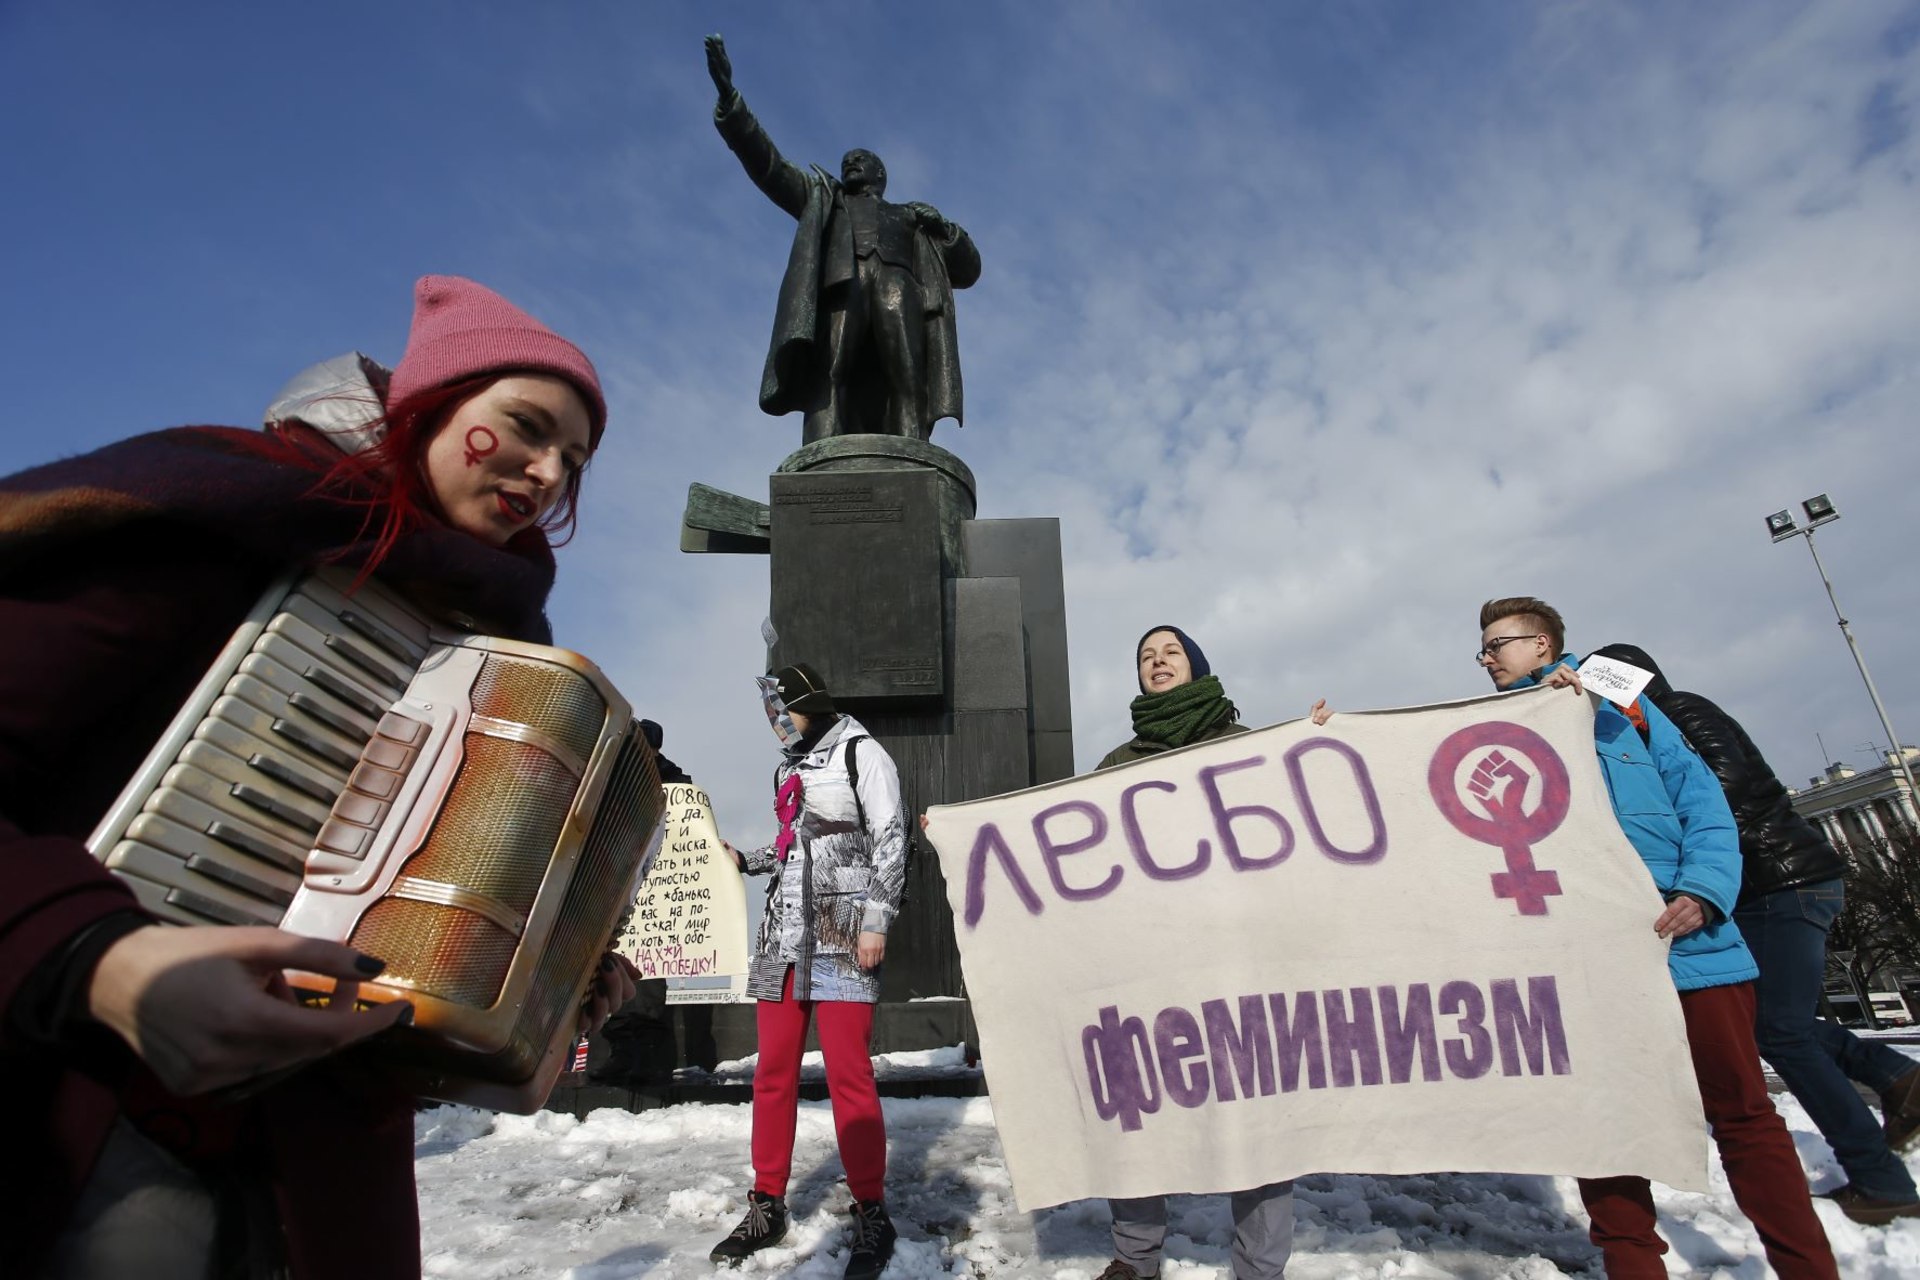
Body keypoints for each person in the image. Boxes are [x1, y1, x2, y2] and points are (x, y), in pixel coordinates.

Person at [0, 275, 637, 1279]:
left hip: (320, 1181)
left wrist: (553, 981)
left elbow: (417, 938)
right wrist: (104, 960)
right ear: (429, 402)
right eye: (524, 425)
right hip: (81, 1128)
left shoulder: (500, 650)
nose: (549, 470)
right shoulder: (227, 518)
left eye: (573, 459)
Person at [1475, 599, 1837, 1279]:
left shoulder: (1620, 697)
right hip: (1587, 955)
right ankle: (1634, 1265)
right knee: (1606, 1124)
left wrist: (1702, 889)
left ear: (1545, 643)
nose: (1488, 657)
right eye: (1483, 649)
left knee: (1744, 1116)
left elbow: (1701, 799)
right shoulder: (1494, 730)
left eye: (1500, 643)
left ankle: (1809, 1268)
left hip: (1689, 940)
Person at [1587, 643, 1920, 1224]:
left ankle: (1880, 1175)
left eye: (1600, 683)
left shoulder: (1681, 716)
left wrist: (1687, 858)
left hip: (1779, 881)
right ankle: (1892, 1076)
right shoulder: (1662, 725)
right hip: (1774, 883)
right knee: (1767, 1021)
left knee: (1779, 1031)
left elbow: (1719, 792)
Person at [1093, 625, 1298, 1280]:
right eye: (1145, 656)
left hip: (1236, 959)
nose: (1157, 662)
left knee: (1252, 1113)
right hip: (1147, 961)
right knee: (1137, 1104)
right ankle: (1135, 1256)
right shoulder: (1119, 763)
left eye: (1169, 653)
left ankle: (1259, 1266)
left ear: (1197, 668)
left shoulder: (1245, 749)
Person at [711, 664, 909, 1280]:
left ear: (808, 704)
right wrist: (748, 859)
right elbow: (794, 842)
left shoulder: (862, 754)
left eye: (780, 710)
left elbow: (891, 836)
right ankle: (766, 1202)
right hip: (782, 934)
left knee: (850, 1073)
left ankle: (871, 1209)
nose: (774, 723)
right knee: (771, 1071)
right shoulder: (788, 766)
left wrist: (877, 919)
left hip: (844, 932)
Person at [705, 34, 981, 443]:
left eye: (861, 159)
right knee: (830, 372)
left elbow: (969, 269)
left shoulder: (911, 217)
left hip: (899, 284)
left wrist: (944, 228)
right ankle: (821, 462)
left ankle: (911, 454)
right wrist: (732, 104)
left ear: (881, 175)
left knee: (906, 374)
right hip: (842, 282)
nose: (851, 162)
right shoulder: (824, 198)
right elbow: (770, 167)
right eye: (847, 160)